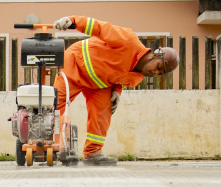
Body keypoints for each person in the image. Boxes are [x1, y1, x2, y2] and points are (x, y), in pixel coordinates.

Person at [52, 15, 178, 166]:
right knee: (55, 107)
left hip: (98, 84)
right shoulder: (129, 40)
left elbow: (120, 78)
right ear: (155, 54)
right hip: (75, 64)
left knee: (104, 112)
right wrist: (73, 21)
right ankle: (56, 148)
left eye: (160, 73)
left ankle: (93, 153)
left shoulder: (138, 77)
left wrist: (117, 91)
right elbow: (100, 28)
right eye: (158, 67)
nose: (155, 73)